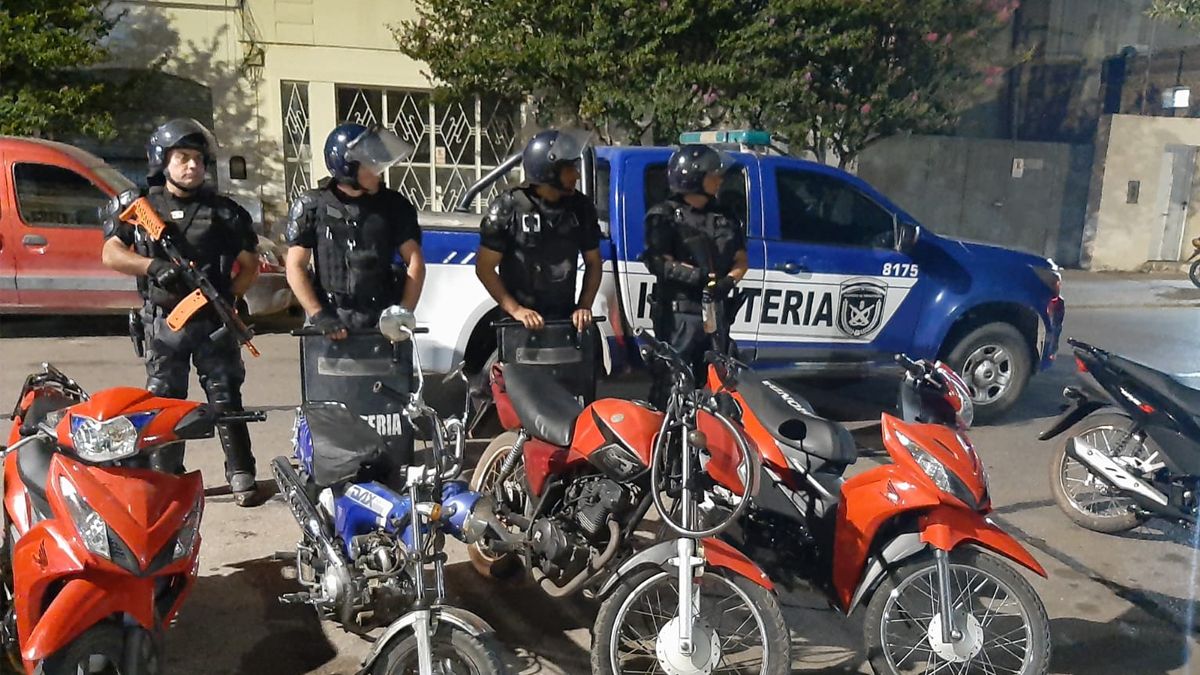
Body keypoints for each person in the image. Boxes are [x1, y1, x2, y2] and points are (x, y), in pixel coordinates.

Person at [101, 118, 262, 505]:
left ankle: (241, 472)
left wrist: (229, 298)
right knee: (165, 401)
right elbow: (111, 253)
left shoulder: (224, 212)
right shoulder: (141, 207)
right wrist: (152, 266)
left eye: (198, 159)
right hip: (163, 323)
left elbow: (250, 263)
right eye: (182, 158)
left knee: (225, 397)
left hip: (212, 323)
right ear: (163, 161)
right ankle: (165, 474)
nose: (192, 166)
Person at [284, 123, 425, 467]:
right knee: (335, 403)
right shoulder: (312, 205)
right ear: (346, 167)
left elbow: (414, 263)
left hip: (379, 321)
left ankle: (389, 464)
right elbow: (295, 267)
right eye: (369, 163)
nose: (378, 170)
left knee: (385, 404)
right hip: (332, 319)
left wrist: (402, 315)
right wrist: (319, 315)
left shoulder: (394, 206)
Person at [469, 130, 602, 383]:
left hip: (564, 324)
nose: (576, 175)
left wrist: (584, 306)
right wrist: (516, 310)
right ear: (549, 171)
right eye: (569, 169)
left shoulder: (581, 208)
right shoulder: (508, 207)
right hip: (518, 330)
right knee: (517, 395)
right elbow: (484, 268)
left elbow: (594, 263)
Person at [643, 144, 749, 409]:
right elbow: (660, 262)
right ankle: (666, 431)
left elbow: (741, 259)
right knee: (672, 383)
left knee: (717, 383)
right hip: (680, 316)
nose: (719, 179)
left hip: (715, 314)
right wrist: (699, 277)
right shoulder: (664, 216)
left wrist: (728, 281)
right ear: (694, 177)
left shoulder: (725, 216)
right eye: (713, 174)